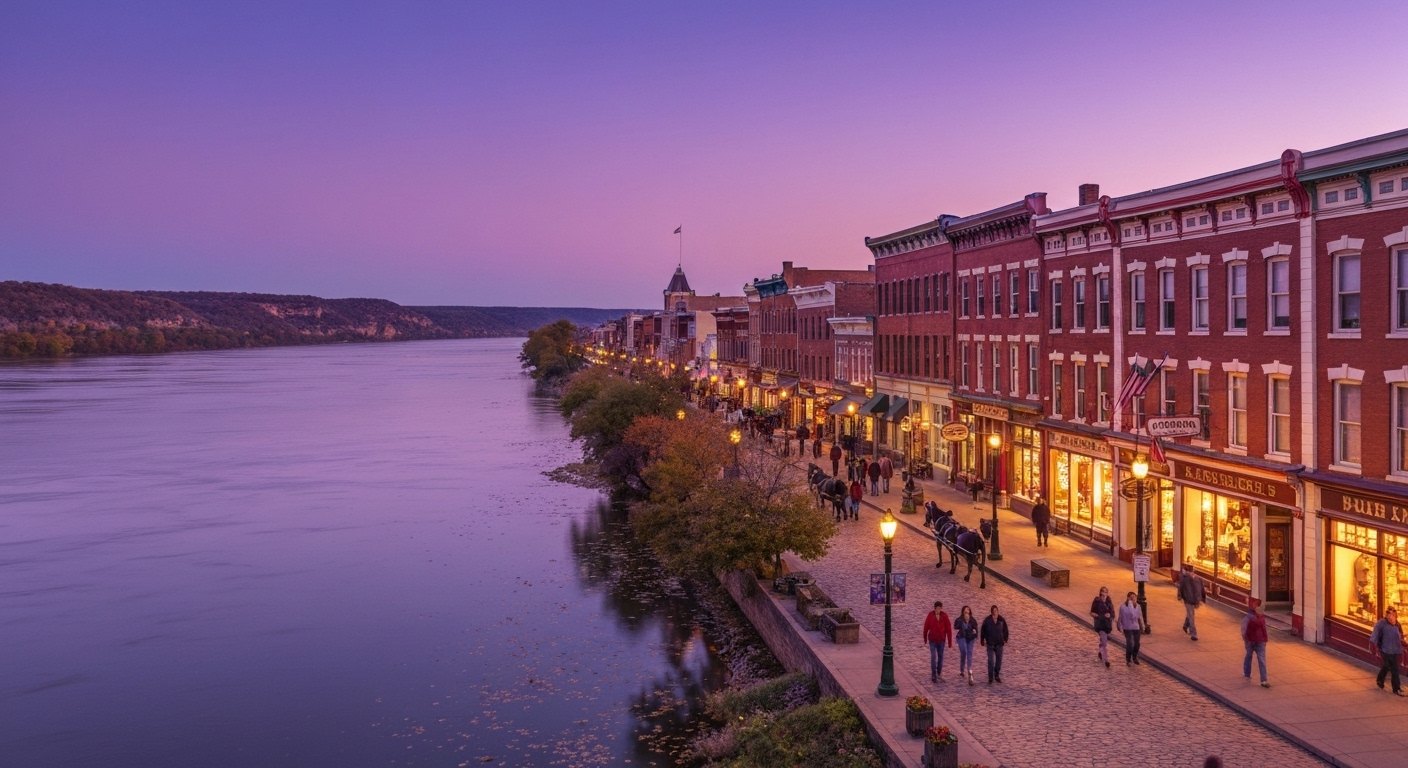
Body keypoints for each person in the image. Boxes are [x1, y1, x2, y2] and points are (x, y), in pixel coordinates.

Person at [1370, 607, 1404, 695]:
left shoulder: (1397, 624)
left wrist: (1402, 644)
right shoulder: (1381, 623)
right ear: (1387, 615)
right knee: (1393, 668)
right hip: (1384, 649)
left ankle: (1380, 680)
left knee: (1389, 666)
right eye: (1389, 615)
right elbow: (1375, 635)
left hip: (1395, 649)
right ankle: (1396, 688)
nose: (1391, 617)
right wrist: (1373, 646)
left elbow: (1401, 635)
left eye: (1393, 615)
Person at [922, 600, 954, 682]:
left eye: (940, 608)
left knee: (940, 657)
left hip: (941, 640)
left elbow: (948, 629)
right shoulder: (930, 615)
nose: (938, 610)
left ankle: (939, 673)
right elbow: (926, 627)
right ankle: (933, 675)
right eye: (937, 608)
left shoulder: (944, 616)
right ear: (935, 608)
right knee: (933, 657)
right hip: (932, 640)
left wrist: (950, 642)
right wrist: (925, 638)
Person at [1242, 598, 1270, 687]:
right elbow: (1263, 629)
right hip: (1254, 640)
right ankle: (1260, 678)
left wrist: (1265, 638)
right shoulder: (1252, 617)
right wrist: (1265, 639)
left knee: (1254, 657)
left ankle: (1261, 679)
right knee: (1256, 658)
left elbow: (1244, 629)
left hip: (1256, 640)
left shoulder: (1253, 617)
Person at [979, 604, 1008, 684]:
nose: (996, 614)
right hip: (990, 644)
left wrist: (1005, 639)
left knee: (999, 661)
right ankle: (990, 677)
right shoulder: (987, 621)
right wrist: (982, 640)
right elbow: (983, 630)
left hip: (999, 644)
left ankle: (996, 674)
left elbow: (1005, 630)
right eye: (994, 612)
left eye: (997, 611)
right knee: (991, 661)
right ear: (992, 613)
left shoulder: (1001, 620)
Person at [1178, 562, 1207, 641]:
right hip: (1188, 599)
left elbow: (1201, 589)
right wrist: (1180, 596)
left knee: (1190, 614)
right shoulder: (1185, 578)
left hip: (1195, 599)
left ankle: (1185, 625)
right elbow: (1181, 588)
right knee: (1191, 615)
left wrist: (1202, 598)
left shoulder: (1197, 579)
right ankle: (1193, 634)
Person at [954, 605, 979, 686]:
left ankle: (969, 670)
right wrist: (963, 623)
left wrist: (975, 634)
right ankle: (961, 670)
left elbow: (976, 629)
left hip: (970, 638)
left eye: (968, 611)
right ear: (963, 613)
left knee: (969, 653)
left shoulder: (973, 620)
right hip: (962, 637)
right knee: (964, 652)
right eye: (965, 612)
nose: (967, 613)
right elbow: (956, 626)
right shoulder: (960, 620)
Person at [1090, 586, 1114, 668]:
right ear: (1100, 594)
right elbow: (1092, 612)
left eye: (1105, 593)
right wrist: (1095, 615)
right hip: (1100, 624)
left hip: (1107, 625)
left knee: (1103, 642)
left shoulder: (1109, 602)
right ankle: (1106, 660)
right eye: (1103, 594)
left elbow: (1113, 614)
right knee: (1104, 642)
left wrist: (1109, 615)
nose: (1104, 596)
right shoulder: (1097, 601)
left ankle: (1101, 650)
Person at [1119, 591, 1145, 665]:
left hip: (1136, 628)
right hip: (1127, 628)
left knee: (1137, 644)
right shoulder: (1123, 607)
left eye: (1135, 597)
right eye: (1131, 597)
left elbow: (1140, 617)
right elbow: (1120, 617)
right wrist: (1120, 626)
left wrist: (1142, 626)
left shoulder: (1138, 606)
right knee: (1130, 643)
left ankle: (1135, 656)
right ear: (1128, 598)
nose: (1133, 599)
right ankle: (1128, 658)